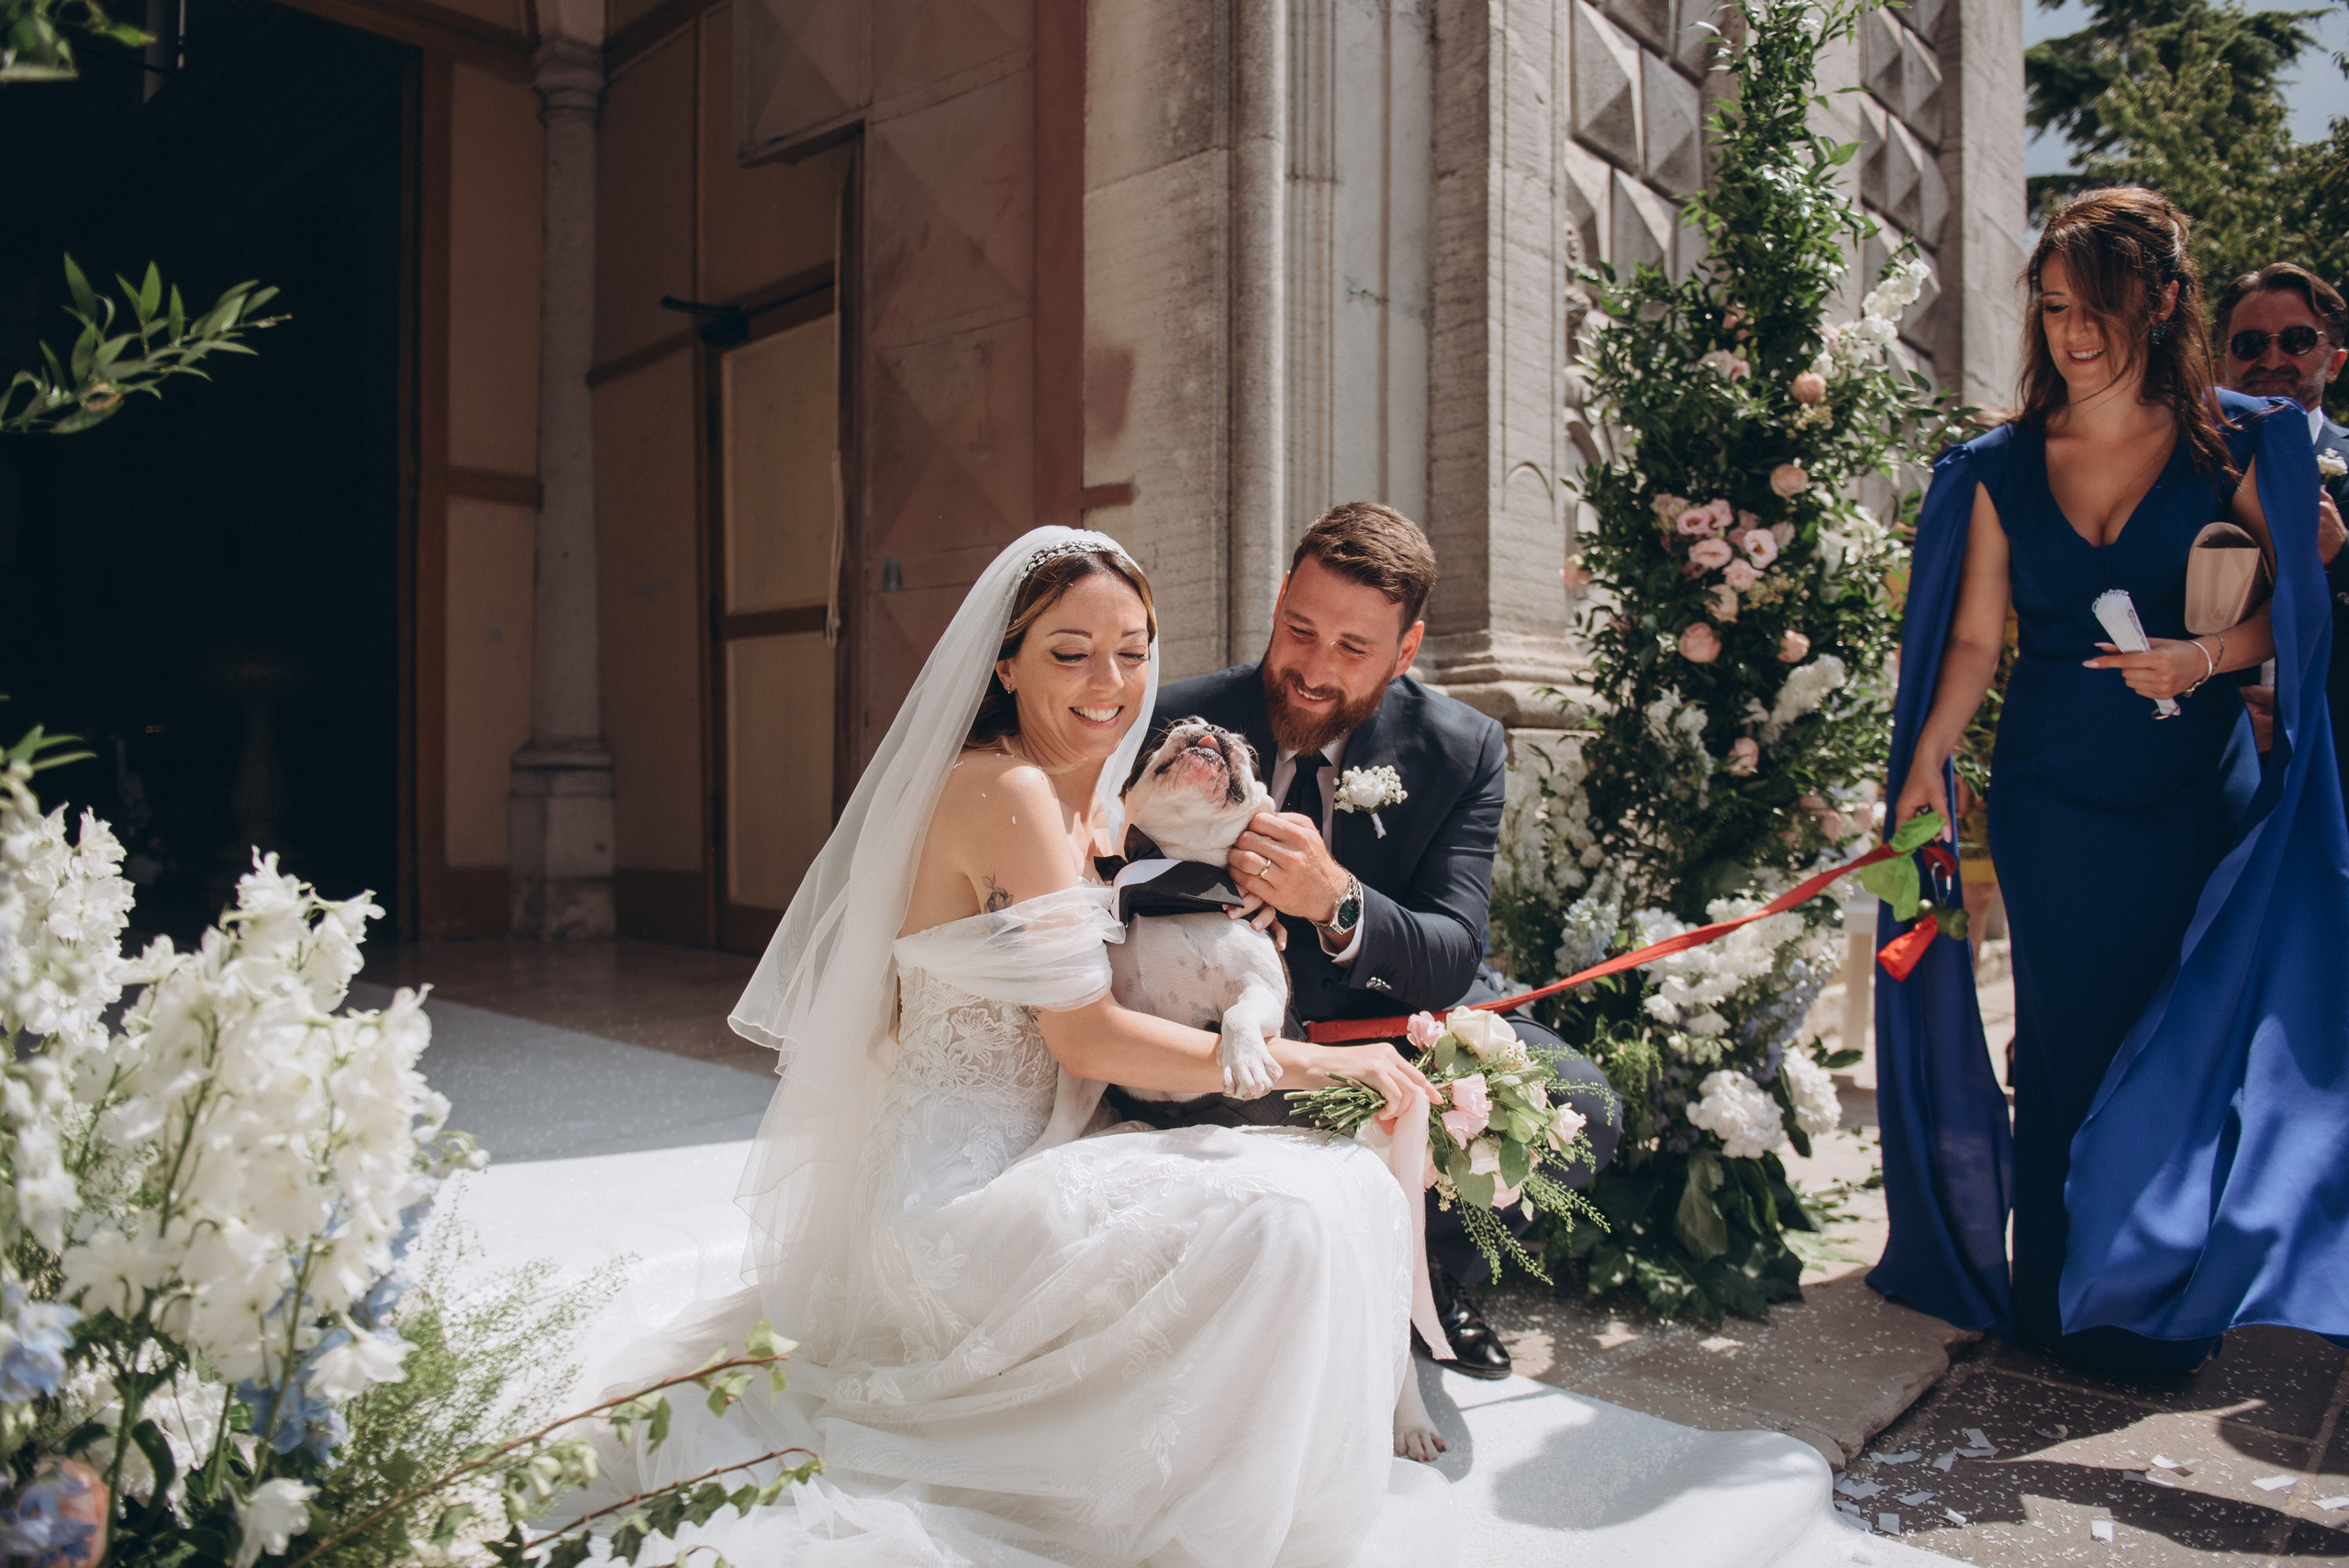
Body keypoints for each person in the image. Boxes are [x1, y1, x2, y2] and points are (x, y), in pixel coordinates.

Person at [573, 528, 1453, 1565]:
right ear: (1004, 662)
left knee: (1331, 1191)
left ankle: (1191, 1471)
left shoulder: (1086, 798)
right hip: (954, 1192)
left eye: (1132, 650)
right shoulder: (1011, 792)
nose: (1110, 681)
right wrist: (1323, 1061)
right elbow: (1083, 1037)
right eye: (1069, 651)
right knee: (1282, 1222)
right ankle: (1184, 1506)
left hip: (1046, 1146)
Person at [1876, 188, 2349, 1369]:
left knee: (2184, 1039)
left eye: (2098, 308)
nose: (2071, 333)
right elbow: (1977, 641)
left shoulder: (2232, 443)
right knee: (2071, 1039)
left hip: (2199, 792)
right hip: (2051, 801)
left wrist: (2202, 655)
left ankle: (2159, 1303)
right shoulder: (1996, 465)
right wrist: (1928, 758)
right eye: (2051, 308)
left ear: (2163, 301)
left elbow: (2299, 602)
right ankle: (2058, 1300)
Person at [1104, 502, 1623, 1381]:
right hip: (1217, 1039)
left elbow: (1454, 950)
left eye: (1353, 650)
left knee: (1583, 1102)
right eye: (1299, 630)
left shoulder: (1462, 748)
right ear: (1277, 601)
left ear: (1406, 651)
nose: (1312, 669)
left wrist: (1337, 901)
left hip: (1375, 1033)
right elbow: (1097, 875)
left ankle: (1427, 1280)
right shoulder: (1177, 718)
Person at [2214, 263, 2349, 791]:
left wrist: (2342, 559)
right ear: (2223, 359)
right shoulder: (2184, 474)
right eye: (2249, 343)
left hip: (2336, 763)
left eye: (2297, 340)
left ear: (2335, 361)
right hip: (2212, 764)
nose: (2272, 359)